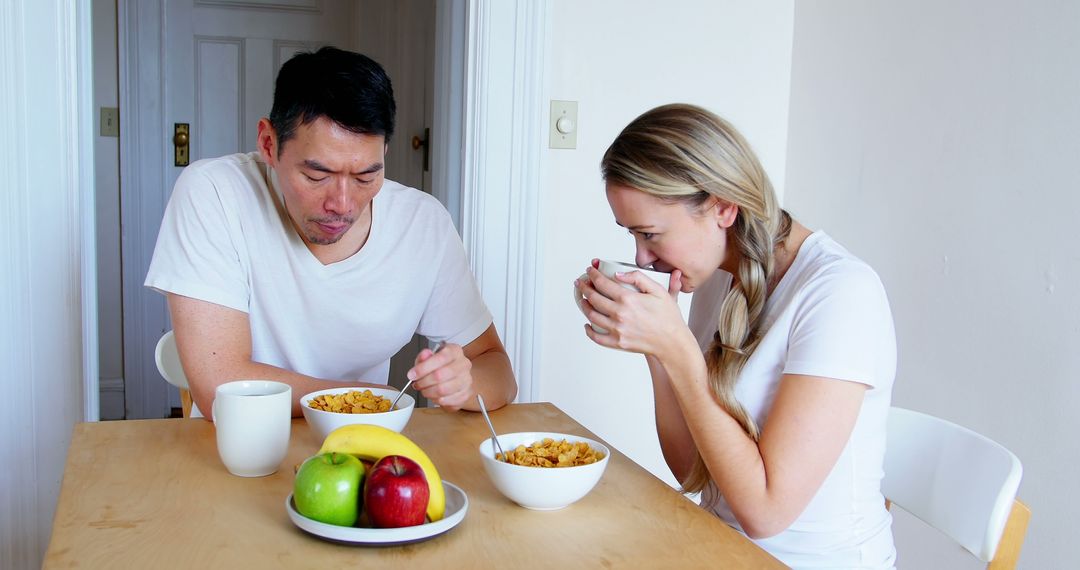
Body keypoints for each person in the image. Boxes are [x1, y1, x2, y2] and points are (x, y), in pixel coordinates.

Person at [575, 103, 896, 568]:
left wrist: (677, 350)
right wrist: (656, 348)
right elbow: (693, 471)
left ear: (723, 207)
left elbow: (766, 513)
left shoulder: (841, 294)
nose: (641, 259)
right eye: (632, 236)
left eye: (651, 234)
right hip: (718, 549)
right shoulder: (720, 276)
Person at [145, 47, 517, 418]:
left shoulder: (423, 224)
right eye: (317, 176)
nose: (341, 204)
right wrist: (369, 401)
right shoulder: (214, 193)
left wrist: (466, 384)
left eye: (366, 176)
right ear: (268, 144)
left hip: (360, 453)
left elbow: (498, 371)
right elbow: (220, 387)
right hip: (238, 452)